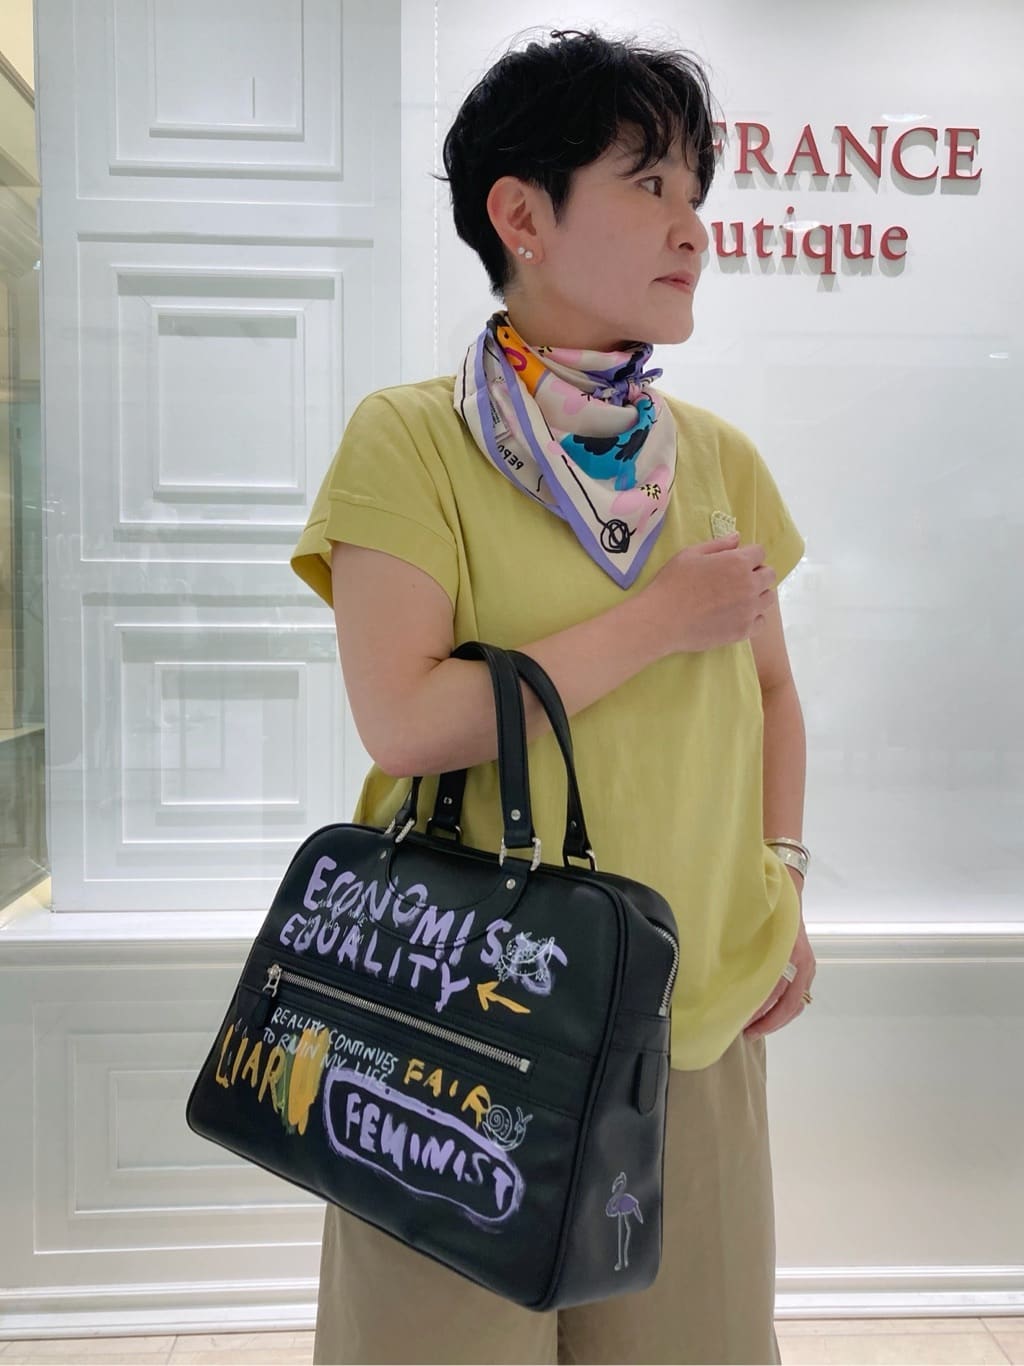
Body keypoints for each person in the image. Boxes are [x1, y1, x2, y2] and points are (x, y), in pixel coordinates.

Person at [290, 25, 816, 1366]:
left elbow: (770, 694)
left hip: (689, 1011)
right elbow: (407, 720)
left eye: (697, 192)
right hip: (457, 1018)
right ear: (521, 215)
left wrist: (784, 883)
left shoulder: (718, 461)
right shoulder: (412, 439)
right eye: (649, 184)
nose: (692, 227)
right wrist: (656, 621)